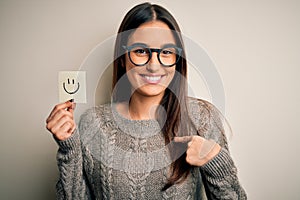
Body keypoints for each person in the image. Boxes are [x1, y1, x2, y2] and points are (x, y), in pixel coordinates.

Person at [46, 2, 247, 199]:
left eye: (167, 52)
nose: (153, 65)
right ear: (123, 58)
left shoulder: (201, 117)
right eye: (141, 51)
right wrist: (68, 149)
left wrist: (215, 162)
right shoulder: (93, 122)